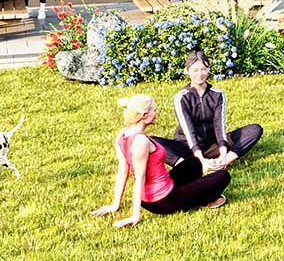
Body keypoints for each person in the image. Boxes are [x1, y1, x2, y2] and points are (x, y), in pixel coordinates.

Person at [91, 93, 230, 227]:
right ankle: (202, 199)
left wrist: (116, 204)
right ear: (144, 116)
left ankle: (196, 192)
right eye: (154, 110)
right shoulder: (141, 142)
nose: (157, 112)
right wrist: (135, 215)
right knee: (223, 176)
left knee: (195, 163)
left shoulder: (122, 135)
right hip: (163, 201)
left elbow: (122, 171)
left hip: (165, 185)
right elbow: (140, 179)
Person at [153, 52, 263, 181]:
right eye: (195, 70)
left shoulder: (218, 94)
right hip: (186, 145)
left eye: (203, 69)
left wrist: (223, 154)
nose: (200, 74)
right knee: (151, 142)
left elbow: (219, 124)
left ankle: (223, 162)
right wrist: (200, 159)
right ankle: (189, 167)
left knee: (255, 129)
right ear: (187, 71)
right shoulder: (181, 97)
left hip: (212, 144)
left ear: (208, 69)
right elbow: (188, 130)